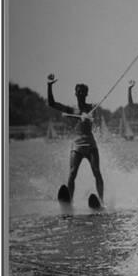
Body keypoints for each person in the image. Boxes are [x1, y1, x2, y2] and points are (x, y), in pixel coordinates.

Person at [47, 74, 104, 203]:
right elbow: (51, 103)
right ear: (75, 93)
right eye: (79, 92)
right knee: (72, 173)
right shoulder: (70, 109)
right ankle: (69, 201)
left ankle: (102, 201)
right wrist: (49, 86)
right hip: (77, 145)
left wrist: (88, 116)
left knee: (96, 172)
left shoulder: (91, 108)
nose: (81, 94)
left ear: (86, 94)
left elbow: (96, 117)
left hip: (90, 145)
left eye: (83, 92)